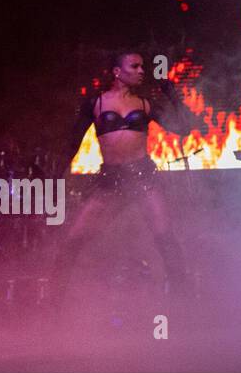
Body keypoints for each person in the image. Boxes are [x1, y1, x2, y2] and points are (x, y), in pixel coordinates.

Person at [53, 50, 200, 299]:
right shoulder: (96, 103)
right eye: (135, 66)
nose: (142, 71)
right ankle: (53, 302)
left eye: (143, 66)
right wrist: (56, 175)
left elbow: (185, 127)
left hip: (142, 176)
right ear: (117, 72)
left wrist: (169, 90)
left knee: (165, 237)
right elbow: (73, 142)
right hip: (111, 180)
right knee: (74, 239)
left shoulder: (145, 104)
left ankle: (183, 298)